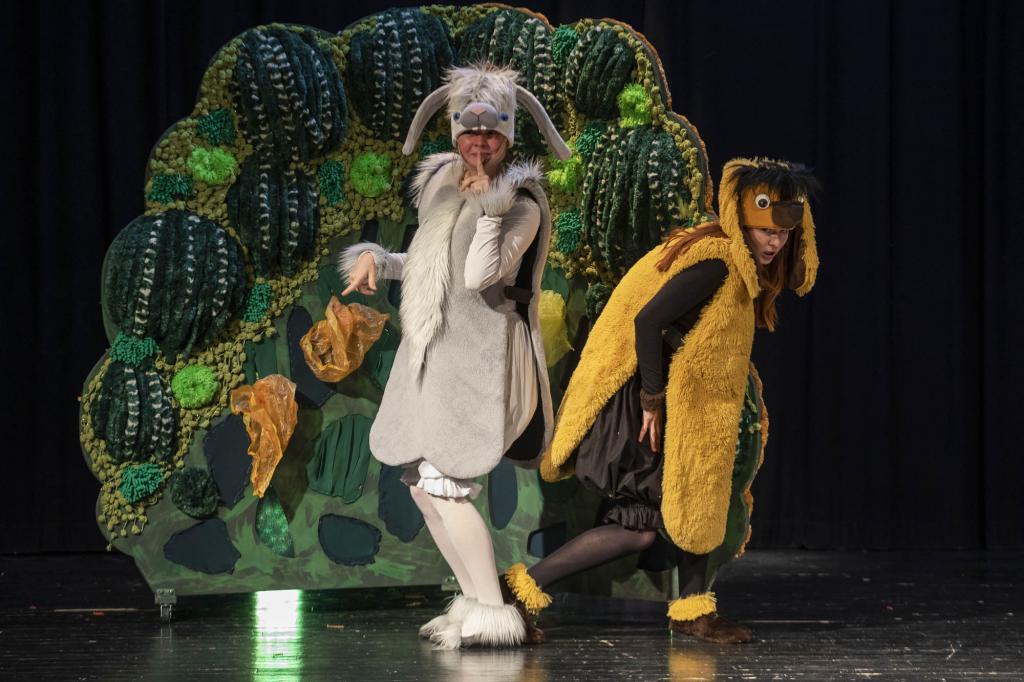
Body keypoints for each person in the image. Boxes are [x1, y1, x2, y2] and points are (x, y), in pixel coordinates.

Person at [502, 157, 820, 645]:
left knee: (696, 493)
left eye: (781, 234)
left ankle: (693, 611)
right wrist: (651, 400)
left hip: (681, 402)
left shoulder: (736, 264)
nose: (774, 243)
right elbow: (647, 322)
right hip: (647, 404)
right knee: (641, 527)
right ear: (743, 222)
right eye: (765, 232)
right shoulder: (717, 260)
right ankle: (518, 591)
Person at [340, 63, 570, 649]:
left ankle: (494, 612)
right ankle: (471, 603)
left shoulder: (522, 202)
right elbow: (426, 261)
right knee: (423, 487)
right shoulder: (441, 182)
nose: (480, 144)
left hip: (483, 358)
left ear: (508, 136)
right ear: (454, 132)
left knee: (446, 484)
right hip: (432, 353)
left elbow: (477, 275)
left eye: (492, 134)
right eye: (470, 132)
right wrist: (375, 258)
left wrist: (491, 205)